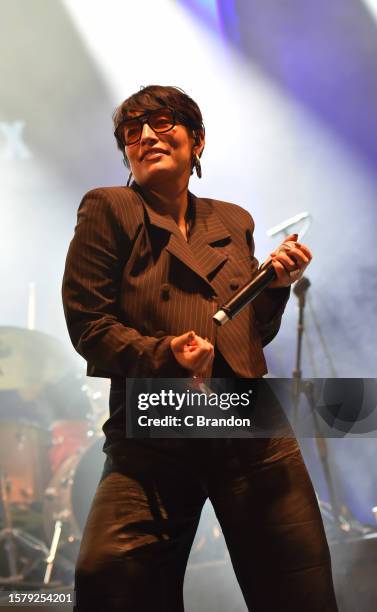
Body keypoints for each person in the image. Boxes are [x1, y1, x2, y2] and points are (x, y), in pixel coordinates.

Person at [62, 85, 338, 611]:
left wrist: (274, 288)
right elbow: (89, 325)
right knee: (110, 581)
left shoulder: (233, 220)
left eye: (162, 122)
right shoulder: (109, 208)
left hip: (247, 419)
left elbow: (250, 335)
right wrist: (167, 353)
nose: (144, 136)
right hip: (156, 423)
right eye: (131, 131)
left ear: (198, 141)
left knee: (299, 586)